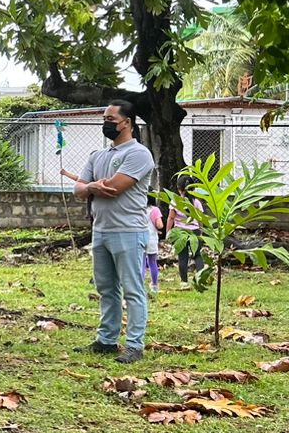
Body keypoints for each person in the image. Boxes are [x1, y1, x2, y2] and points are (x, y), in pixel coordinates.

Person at [72, 100, 157, 364]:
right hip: (102, 230)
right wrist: (91, 187)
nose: (106, 124)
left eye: (111, 119)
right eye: (105, 119)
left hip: (129, 231)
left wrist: (91, 186)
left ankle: (134, 345)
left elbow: (115, 187)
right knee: (106, 288)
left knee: (133, 290)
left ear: (127, 123)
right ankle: (106, 340)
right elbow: (78, 189)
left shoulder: (139, 154)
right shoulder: (98, 155)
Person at [168, 175, 208, 289]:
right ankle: (200, 279)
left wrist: (168, 231)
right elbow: (201, 219)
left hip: (180, 232)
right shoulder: (197, 202)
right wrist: (201, 230)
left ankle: (184, 282)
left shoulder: (175, 201)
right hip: (195, 232)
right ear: (193, 189)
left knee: (182, 257)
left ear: (178, 188)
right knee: (197, 255)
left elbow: (171, 218)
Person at [145, 202, 164, 294]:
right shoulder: (155, 210)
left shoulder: (138, 208)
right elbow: (160, 225)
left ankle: (139, 285)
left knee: (141, 263)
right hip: (152, 239)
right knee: (152, 262)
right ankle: (154, 286)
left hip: (140, 237)